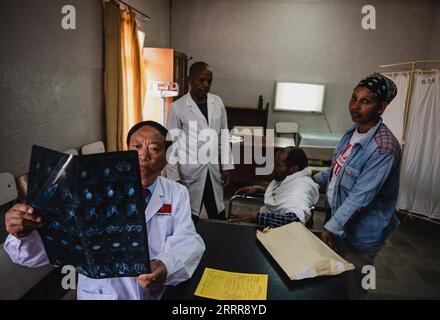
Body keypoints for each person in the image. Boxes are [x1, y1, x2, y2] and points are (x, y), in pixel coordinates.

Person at [3, 121, 205, 300]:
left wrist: (165, 265)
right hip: (103, 294)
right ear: (126, 150)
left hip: (156, 292)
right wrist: (21, 234)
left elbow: (188, 240)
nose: (143, 156)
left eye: (154, 148)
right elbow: (39, 253)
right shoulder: (90, 194)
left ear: (166, 157)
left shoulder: (176, 193)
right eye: (136, 146)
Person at [313, 73, 401, 299]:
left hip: (361, 236)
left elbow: (361, 196)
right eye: (354, 98)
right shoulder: (353, 132)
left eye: (365, 101)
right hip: (338, 223)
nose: (355, 106)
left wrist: (331, 226)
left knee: (356, 287)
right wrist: (308, 177)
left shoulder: (384, 148)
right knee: (335, 283)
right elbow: (336, 172)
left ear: (381, 107)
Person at [166, 61, 234, 223]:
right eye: (201, 80)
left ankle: (220, 246)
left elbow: (224, 135)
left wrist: (226, 166)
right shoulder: (178, 107)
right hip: (189, 172)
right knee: (188, 216)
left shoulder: (217, 102)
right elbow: (171, 145)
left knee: (218, 214)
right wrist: (174, 178)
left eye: (209, 81)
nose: (206, 85)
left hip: (212, 170)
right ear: (190, 80)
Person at [228, 147, 319, 228]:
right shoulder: (290, 178)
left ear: (293, 169)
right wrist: (262, 190)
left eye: (278, 165)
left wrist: (256, 218)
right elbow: (284, 195)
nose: (273, 167)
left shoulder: (302, 187)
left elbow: (294, 220)